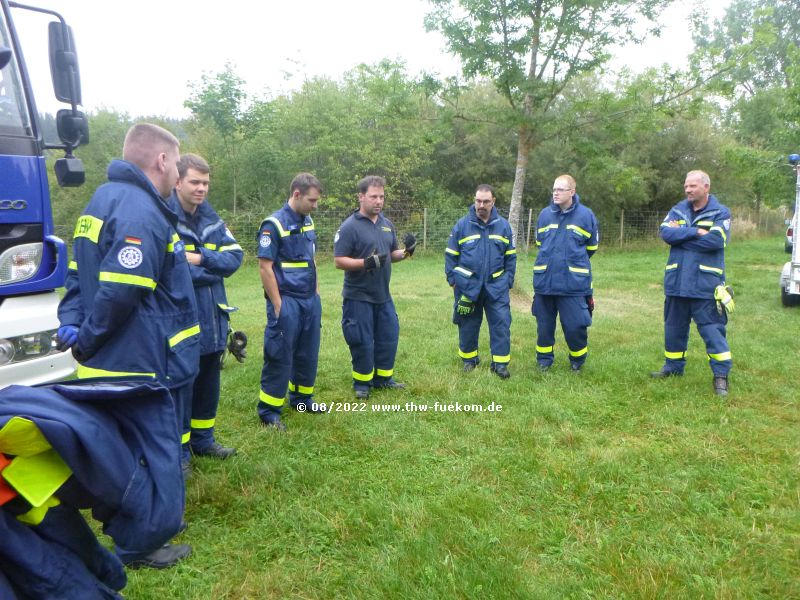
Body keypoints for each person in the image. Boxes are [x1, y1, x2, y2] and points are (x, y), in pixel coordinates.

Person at [56, 123, 198, 569]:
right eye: (176, 163)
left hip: (108, 358)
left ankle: (134, 527)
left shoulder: (99, 201)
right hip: (138, 359)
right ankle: (144, 543)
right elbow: (121, 290)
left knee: (120, 450)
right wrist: (89, 342)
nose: (177, 172)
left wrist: (73, 324)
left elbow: (78, 277)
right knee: (155, 450)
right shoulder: (141, 211)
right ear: (161, 161)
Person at [168, 154, 243, 458]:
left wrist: (201, 259)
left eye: (206, 183)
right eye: (195, 182)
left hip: (214, 319)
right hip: (183, 322)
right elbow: (171, 269)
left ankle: (203, 441)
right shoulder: (165, 220)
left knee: (209, 386)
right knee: (183, 388)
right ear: (177, 182)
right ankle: (181, 451)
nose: (201, 188)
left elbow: (235, 258)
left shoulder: (213, 221)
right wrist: (213, 270)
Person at [650, 170, 733, 396]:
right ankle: (673, 367)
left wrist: (682, 237)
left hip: (704, 285)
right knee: (674, 329)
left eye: (693, 186)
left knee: (713, 332)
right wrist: (696, 231)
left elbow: (716, 240)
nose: (688, 190)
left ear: (706, 187)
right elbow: (666, 234)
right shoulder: (677, 210)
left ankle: (721, 376)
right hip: (677, 283)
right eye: (686, 186)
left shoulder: (720, 212)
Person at [333, 175, 416, 400]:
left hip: (383, 295)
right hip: (358, 296)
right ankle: (362, 383)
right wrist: (365, 263)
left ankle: (383, 379)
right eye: (373, 197)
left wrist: (407, 251)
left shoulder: (386, 225)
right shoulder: (349, 227)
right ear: (361, 197)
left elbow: (391, 255)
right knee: (361, 340)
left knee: (388, 336)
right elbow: (339, 260)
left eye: (381, 197)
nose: (378, 201)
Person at [257, 173, 323, 431]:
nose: (315, 205)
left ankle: (302, 399)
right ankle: (269, 411)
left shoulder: (308, 221)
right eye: (311, 200)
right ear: (297, 194)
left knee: (308, 352)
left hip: (309, 300)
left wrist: (316, 292)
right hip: (287, 301)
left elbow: (312, 259)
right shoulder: (273, 224)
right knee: (280, 353)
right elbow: (265, 267)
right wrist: (277, 304)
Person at [445, 184, 516, 377]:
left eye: (485, 201)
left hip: (497, 287)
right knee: (467, 324)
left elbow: (511, 257)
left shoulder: (503, 226)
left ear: (493, 201)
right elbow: (451, 255)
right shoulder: (461, 226)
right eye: (478, 200)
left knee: (501, 323)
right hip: (467, 287)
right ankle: (469, 360)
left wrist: (508, 281)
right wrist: (453, 280)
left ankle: (500, 364)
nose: (481, 205)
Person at [532, 174, 599, 372]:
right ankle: (544, 361)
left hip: (574, 284)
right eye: (554, 189)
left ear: (572, 192)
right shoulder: (544, 215)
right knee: (544, 327)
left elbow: (591, 247)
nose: (556, 192)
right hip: (545, 283)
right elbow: (540, 244)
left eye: (560, 189)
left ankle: (577, 361)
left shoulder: (586, 216)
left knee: (575, 326)